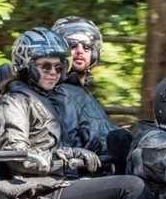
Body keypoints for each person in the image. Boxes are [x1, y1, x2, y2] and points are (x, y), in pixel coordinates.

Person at [0, 26, 166, 199]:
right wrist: (71, 156)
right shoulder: (13, 102)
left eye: (59, 67)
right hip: (42, 189)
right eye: (45, 66)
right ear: (26, 66)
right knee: (130, 187)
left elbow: (78, 138)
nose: (53, 72)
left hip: (66, 181)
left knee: (142, 184)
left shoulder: (53, 99)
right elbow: (18, 157)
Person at [49, 16, 119, 156]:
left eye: (87, 45)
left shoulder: (81, 91)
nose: (80, 51)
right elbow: (70, 142)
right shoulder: (63, 92)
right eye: (72, 45)